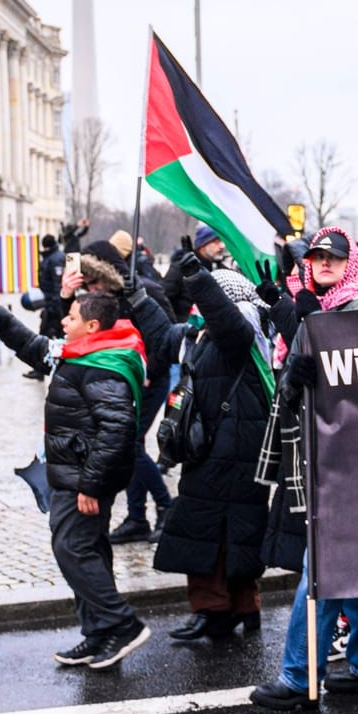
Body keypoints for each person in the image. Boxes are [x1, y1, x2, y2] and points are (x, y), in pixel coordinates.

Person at [250, 227, 358, 711]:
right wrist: (296, 375)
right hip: (322, 457)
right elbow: (294, 395)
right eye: (316, 258)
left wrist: (325, 349)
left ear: (349, 261)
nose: (324, 264)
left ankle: (297, 677)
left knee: (323, 569)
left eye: (333, 258)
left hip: (357, 461)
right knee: (353, 567)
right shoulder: (309, 313)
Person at [0, 283, 153, 669]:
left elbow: (117, 431)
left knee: (72, 550)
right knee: (88, 550)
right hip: (72, 473)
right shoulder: (81, 353)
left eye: (71, 316)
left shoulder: (101, 367)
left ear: (92, 326)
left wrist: (90, 486)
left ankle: (122, 624)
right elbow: (34, 347)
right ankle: (98, 635)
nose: (63, 319)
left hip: (83, 479)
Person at [153, 255, 273, 642]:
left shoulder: (240, 328)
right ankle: (241, 606)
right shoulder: (207, 332)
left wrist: (197, 277)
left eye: (207, 298)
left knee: (212, 526)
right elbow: (163, 334)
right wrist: (135, 295)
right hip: (224, 443)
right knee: (229, 527)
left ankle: (214, 609)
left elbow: (226, 320)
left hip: (229, 445)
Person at [89, 240, 176, 545]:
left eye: (95, 278)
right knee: (130, 447)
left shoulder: (146, 290)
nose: (92, 287)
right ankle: (137, 517)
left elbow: (167, 334)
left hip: (151, 381)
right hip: (125, 383)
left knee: (130, 446)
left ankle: (166, 506)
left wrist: (151, 372)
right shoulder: (103, 297)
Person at [36, 232, 66, 348]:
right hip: (52, 303)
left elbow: (57, 284)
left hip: (54, 305)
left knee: (48, 335)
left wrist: (56, 305)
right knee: (50, 334)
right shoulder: (53, 257)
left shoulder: (54, 259)